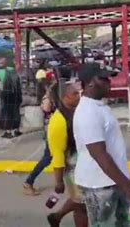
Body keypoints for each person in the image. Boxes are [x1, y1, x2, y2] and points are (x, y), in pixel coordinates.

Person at [74, 63, 130, 226]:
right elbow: (99, 154)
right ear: (90, 82)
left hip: (113, 181)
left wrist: (125, 185)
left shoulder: (99, 106)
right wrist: (129, 188)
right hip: (99, 187)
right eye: (103, 78)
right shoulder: (88, 112)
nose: (109, 82)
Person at [46, 83, 87, 227]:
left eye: (78, 93)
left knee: (81, 202)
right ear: (64, 98)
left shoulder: (77, 111)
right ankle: (57, 217)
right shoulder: (58, 121)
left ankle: (56, 217)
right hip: (72, 169)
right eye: (74, 94)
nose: (78, 96)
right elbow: (57, 154)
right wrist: (59, 182)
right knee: (82, 205)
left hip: (83, 165)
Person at [23, 84, 57, 196]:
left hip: (54, 131)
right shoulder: (48, 99)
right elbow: (47, 109)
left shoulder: (50, 97)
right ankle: (28, 182)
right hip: (52, 133)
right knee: (47, 159)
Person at [0, 65, 23, 139]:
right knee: (16, 114)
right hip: (16, 99)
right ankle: (17, 130)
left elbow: (4, 91)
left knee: (8, 115)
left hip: (8, 100)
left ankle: (8, 132)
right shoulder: (17, 78)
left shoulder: (7, 80)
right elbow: (19, 89)